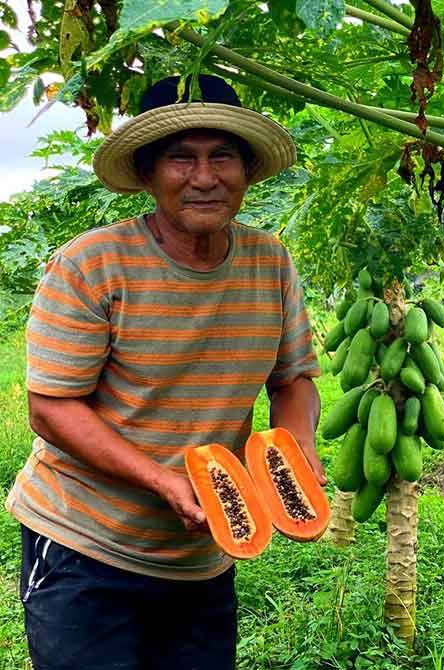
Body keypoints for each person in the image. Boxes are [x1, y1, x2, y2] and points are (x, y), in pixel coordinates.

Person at [5, 74, 325, 670]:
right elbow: (51, 407)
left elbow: (293, 378)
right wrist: (162, 480)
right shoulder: (91, 264)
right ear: (149, 175)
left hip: (203, 554)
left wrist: (295, 445)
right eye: (181, 159)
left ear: (248, 171)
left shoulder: (270, 262)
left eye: (221, 157)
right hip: (85, 546)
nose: (204, 178)